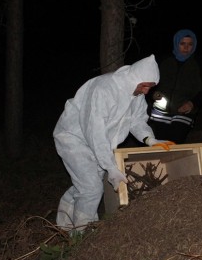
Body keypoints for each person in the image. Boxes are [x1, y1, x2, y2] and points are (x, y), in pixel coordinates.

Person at [53, 54, 174, 233]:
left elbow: (137, 121)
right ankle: (80, 235)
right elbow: (94, 129)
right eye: (145, 85)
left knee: (86, 185)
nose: (147, 91)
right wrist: (110, 166)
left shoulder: (136, 95)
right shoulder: (104, 88)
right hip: (74, 138)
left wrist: (150, 140)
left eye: (151, 86)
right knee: (91, 188)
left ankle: (64, 225)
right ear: (135, 78)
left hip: (101, 144)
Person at [148, 29, 202, 144]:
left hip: (183, 111)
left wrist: (192, 103)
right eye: (182, 44)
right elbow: (151, 84)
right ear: (176, 43)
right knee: (160, 143)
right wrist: (154, 93)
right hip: (161, 109)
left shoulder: (198, 65)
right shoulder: (164, 62)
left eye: (190, 44)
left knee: (175, 143)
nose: (186, 47)